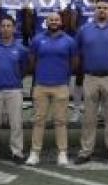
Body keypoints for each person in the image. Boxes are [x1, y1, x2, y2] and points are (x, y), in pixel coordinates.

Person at [74, 0, 108, 165]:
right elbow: (77, 52)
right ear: (94, 10)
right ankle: (86, 151)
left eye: (105, 8)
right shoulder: (84, 29)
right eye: (99, 8)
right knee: (89, 117)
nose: (102, 11)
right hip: (90, 77)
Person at [27, 12, 78, 166]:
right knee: (38, 121)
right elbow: (32, 61)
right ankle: (35, 152)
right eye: (51, 20)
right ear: (46, 22)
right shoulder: (37, 39)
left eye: (56, 20)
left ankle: (62, 152)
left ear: (61, 22)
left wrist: (63, 74)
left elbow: (74, 62)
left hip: (61, 85)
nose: (54, 22)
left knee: (61, 121)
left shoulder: (69, 41)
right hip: (41, 85)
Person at [0, 17, 29, 162]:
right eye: (3, 25)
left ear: (14, 29)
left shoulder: (21, 49)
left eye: (9, 26)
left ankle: (17, 152)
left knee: (16, 123)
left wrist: (15, 79)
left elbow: (24, 69)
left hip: (14, 90)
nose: (5, 28)